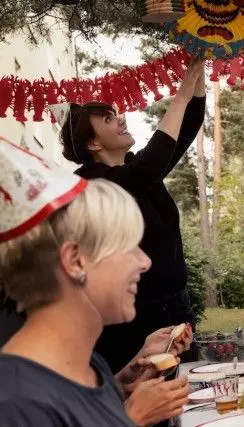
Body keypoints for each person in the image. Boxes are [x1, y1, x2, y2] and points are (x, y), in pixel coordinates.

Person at [0, 139, 190, 426]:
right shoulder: (17, 403)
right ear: (75, 261)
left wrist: (125, 382)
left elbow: (80, 407)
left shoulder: (88, 363)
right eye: (128, 246)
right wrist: (131, 419)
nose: (144, 262)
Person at [59, 58, 206, 373]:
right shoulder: (93, 184)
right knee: (142, 397)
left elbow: (187, 127)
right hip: (132, 322)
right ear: (93, 142)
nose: (121, 119)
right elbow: (147, 168)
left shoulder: (138, 172)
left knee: (186, 394)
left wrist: (198, 72)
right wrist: (181, 95)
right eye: (109, 118)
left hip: (177, 309)